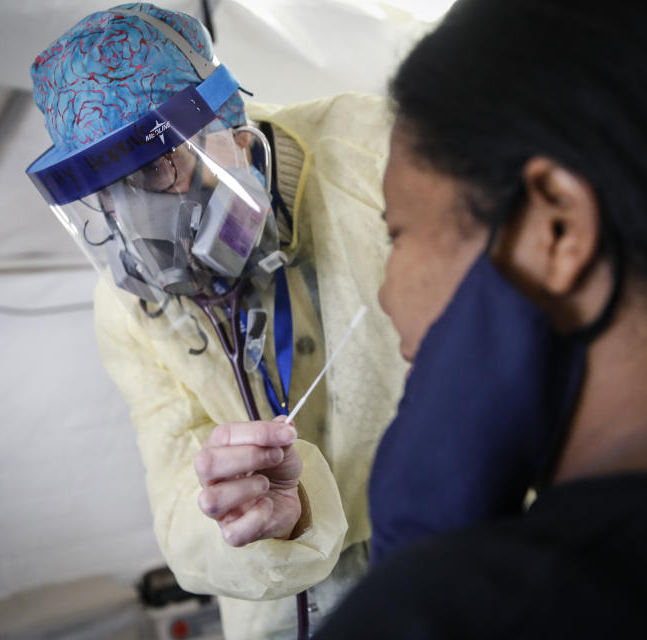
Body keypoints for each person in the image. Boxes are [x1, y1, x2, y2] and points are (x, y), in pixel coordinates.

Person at [316, 0, 647, 636]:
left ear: (556, 229)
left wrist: (420, 583)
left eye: (398, 233)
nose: (388, 295)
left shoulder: (464, 614)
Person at [25, 4, 406, 638]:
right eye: (107, 191)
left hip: (440, 530)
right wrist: (252, 522)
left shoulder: (372, 157)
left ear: (228, 124)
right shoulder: (129, 309)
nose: (138, 217)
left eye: (154, 167)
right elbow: (179, 494)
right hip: (281, 596)